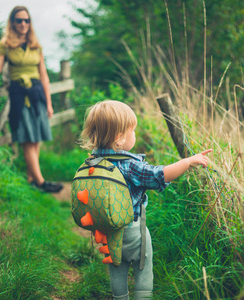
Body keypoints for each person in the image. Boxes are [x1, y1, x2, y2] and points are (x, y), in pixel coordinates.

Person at [80, 100, 212, 300]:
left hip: (107, 230)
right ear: (119, 139)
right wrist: (187, 162)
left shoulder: (92, 162)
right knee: (143, 266)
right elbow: (158, 175)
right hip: (133, 232)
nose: (135, 134)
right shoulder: (130, 166)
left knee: (116, 267)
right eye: (132, 131)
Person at [0, 6, 63, 193]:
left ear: (30, 23)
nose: (23, 24)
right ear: (12, 22)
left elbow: (44, 75)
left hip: (37, 93)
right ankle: (41, 182)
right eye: (19, 20)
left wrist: (49, 103)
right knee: (27, 138)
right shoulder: (5, 44)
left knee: (36, 137)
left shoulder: (35, 45)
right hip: (18, 94)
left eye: (26, 20)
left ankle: (32, 179)